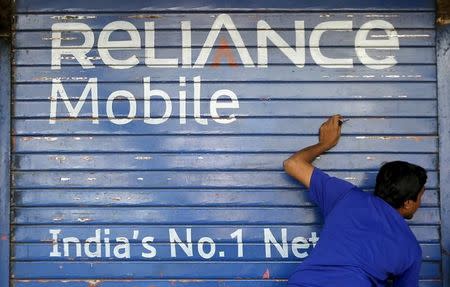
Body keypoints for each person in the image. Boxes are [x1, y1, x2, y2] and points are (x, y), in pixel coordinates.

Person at [283, 114, 427, 287]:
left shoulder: (345, 197)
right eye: (420, 196)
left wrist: (325, 144)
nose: (421, 202)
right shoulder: (410, 249)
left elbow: (293, 163)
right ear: (408, 202)